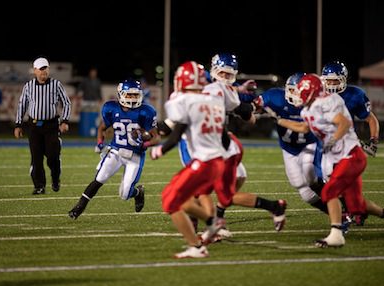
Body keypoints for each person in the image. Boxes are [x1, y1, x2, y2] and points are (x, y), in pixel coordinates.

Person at [159, 53, 287, 240]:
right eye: (223, 74)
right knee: (204, 189)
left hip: (219, 143)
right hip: (197, 143)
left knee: (235, 179)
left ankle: (212, 219)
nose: (226, 78)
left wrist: (242, 95)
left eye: (229, 75)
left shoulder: (220, 87)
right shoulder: (203, 88)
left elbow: (237, 104)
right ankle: (211, 223)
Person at [277, 73, 384, 247]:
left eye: (301, 91)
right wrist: (281, 121)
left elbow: (343, 123)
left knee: (329, 192)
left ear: (310, 92)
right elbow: (304, 127)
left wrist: (332, 140)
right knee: (357, 204)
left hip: (351, 155)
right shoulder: (308, 109)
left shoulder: (327, 102)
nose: (297, 95)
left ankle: (336, 235)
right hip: (340, 157)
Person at [150, 61, 226, 258]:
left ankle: (198, 244)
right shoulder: (215, 100)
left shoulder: (183, 100)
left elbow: (176, 135)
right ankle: (211, 223)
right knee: (181, 200)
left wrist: (160, 150)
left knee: (170, 202)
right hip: (216, 160)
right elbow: (225, 137)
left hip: (204, 162)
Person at [68, 78, 160, 219]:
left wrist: (144, 144)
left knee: (124, 194)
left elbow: (156, 138)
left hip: (135, 156)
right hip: (116, 151)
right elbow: (102, 128)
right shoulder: (111, 108)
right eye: (130, 95)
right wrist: (99, 142)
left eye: (136, 95)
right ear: (121, 94)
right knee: (99, 178)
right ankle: (79, 207)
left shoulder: (145, 112)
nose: (133, 98)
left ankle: (138, 192)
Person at [255, 72, 329, 214]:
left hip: (310, 144)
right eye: (291, 90)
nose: (293, 94)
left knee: (310, 175)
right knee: (303, 191)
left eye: (297, 91)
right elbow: (258, 102)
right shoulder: (276, 96)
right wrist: (255, 106)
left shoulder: (313, 104)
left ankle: (342, 204)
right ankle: (335, 212)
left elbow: (304, 128)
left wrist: (279, 120)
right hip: (288, 148)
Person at [14, 57, 72, 195]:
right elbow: (22, 105)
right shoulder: (28, 86)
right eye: (41, 69)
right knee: (36, 158)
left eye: (45, 68)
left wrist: (65, 121)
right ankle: (39, 186)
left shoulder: (56, 84)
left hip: (51, 125)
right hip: (34, 126)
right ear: (34, 71)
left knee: (53, 156)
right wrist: (18, 124)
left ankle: (55, 178)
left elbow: (67, 103)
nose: (44, 71)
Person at [321, 61, 380, 158]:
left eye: (335, 80)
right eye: (329, 80)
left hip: (346, 141)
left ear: (344, 79)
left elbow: (370, 119)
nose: (331, 84)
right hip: (322, 139)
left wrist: (373, 140)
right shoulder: (317, 94)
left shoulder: (355, 94)